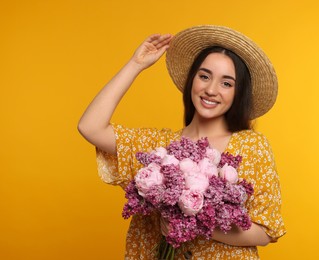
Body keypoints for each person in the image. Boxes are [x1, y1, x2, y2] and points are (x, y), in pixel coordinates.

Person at [78, 25, 286, 259]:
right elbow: (90, 126)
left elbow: (265, 231)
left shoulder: (251, 146)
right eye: (204, 76)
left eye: (226, 83)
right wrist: (135, 65)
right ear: (191, 80)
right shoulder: (158, 147)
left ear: (238, 93)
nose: (210, 90)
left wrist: (195, 226)